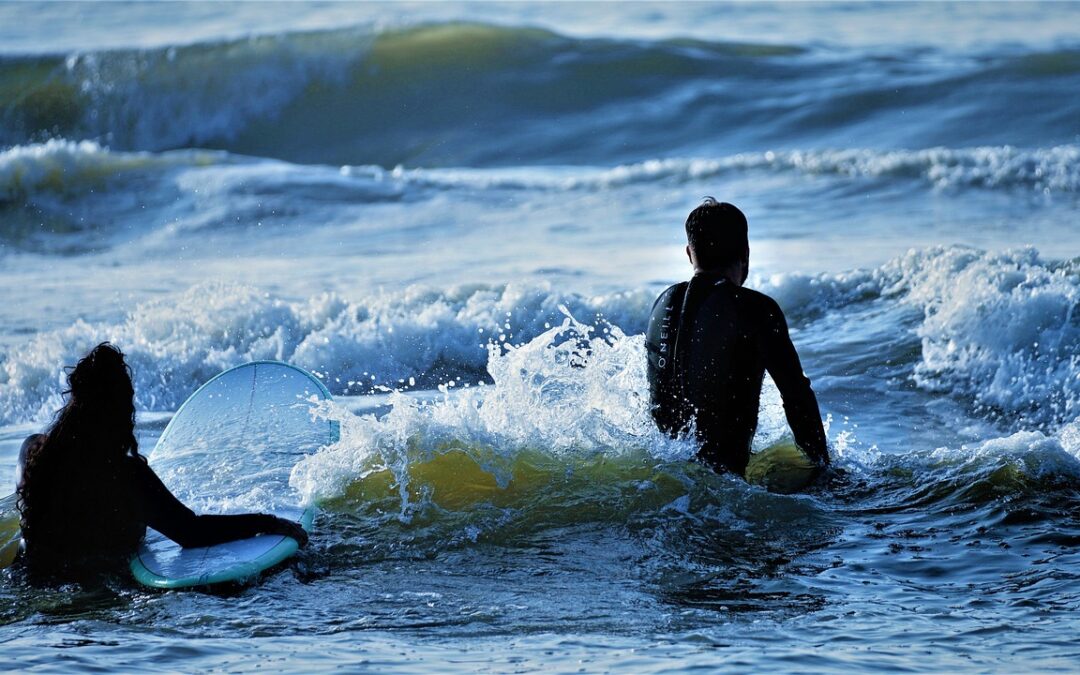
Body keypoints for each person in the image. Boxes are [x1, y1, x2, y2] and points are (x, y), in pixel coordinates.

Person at [16, 342, 307, 580]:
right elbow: (192, 532)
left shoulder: (34, 454)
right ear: (122, 408)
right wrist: (268, 521)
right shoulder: (126, 477)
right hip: (99, 588)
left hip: (33, 578)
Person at [646, 198, 830, 476]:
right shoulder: (754, 308)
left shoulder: (663, 304)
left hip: (666, 476)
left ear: (688, 253)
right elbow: (797, 397)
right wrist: (825, 469)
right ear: (746, 252)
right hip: (727, 483)